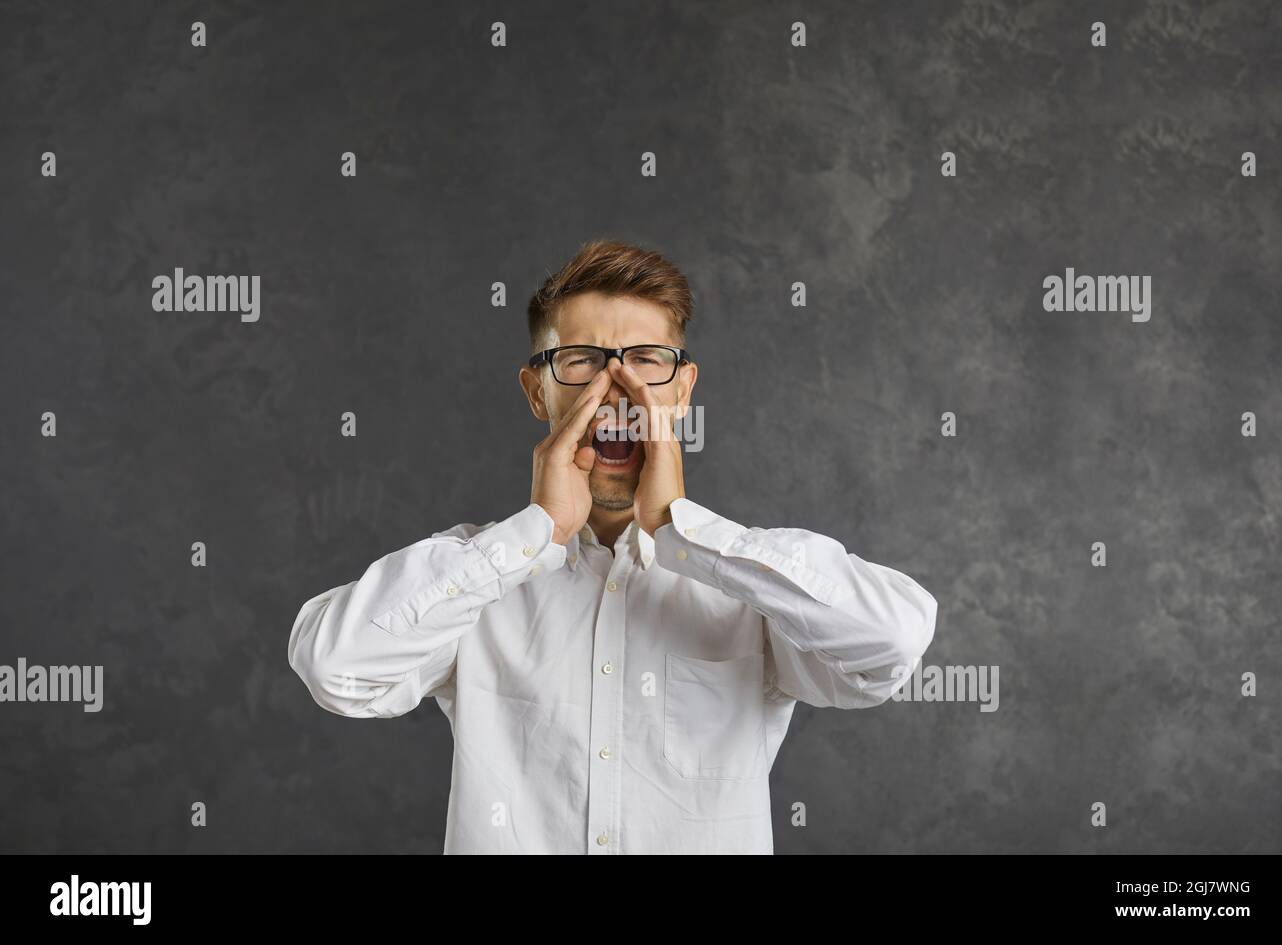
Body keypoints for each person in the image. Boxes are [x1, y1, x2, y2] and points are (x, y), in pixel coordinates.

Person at [288, 239, 938, 853]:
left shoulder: (754, 584)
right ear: (537, 390)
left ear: (681, 391)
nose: (615, 391)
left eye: (646, 360)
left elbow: (892, 642)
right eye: (582, 362)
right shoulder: (474, 575)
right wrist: (534, 531)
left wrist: (683, 532)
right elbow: (334, 666)